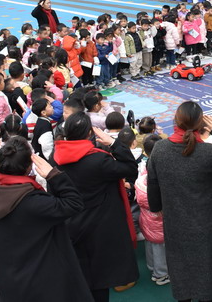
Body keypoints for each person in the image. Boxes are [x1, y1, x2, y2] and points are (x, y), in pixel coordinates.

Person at [0, 136, 92, 301]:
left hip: (10, 284)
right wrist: (53, 175)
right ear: (29, 166)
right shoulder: (33, 203)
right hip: (43, 284)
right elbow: (74, 203)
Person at [146, 102, 212, 301]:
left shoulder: (160, 149)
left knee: (180, 270)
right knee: (206, 270)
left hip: (175, 222)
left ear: (176, 120)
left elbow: (152, 182)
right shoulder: (210, 153)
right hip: (207, 223)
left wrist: (156, 206)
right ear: (200, 123)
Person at [52, 112, 139, 301]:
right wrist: (114, 144)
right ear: (90, 133)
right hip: (101, 226)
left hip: (72, 224)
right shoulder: (98, 160)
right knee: (101, 279)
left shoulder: (56, 158)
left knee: (82, 277)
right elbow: (131, 168)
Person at [134, 135, 168, 285]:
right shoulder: (161, 176)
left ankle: (152, 267)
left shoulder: (142, 170)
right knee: (160, 247)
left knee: (150, 242)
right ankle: (161, 274)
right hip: (159, 220)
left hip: (146, 218)